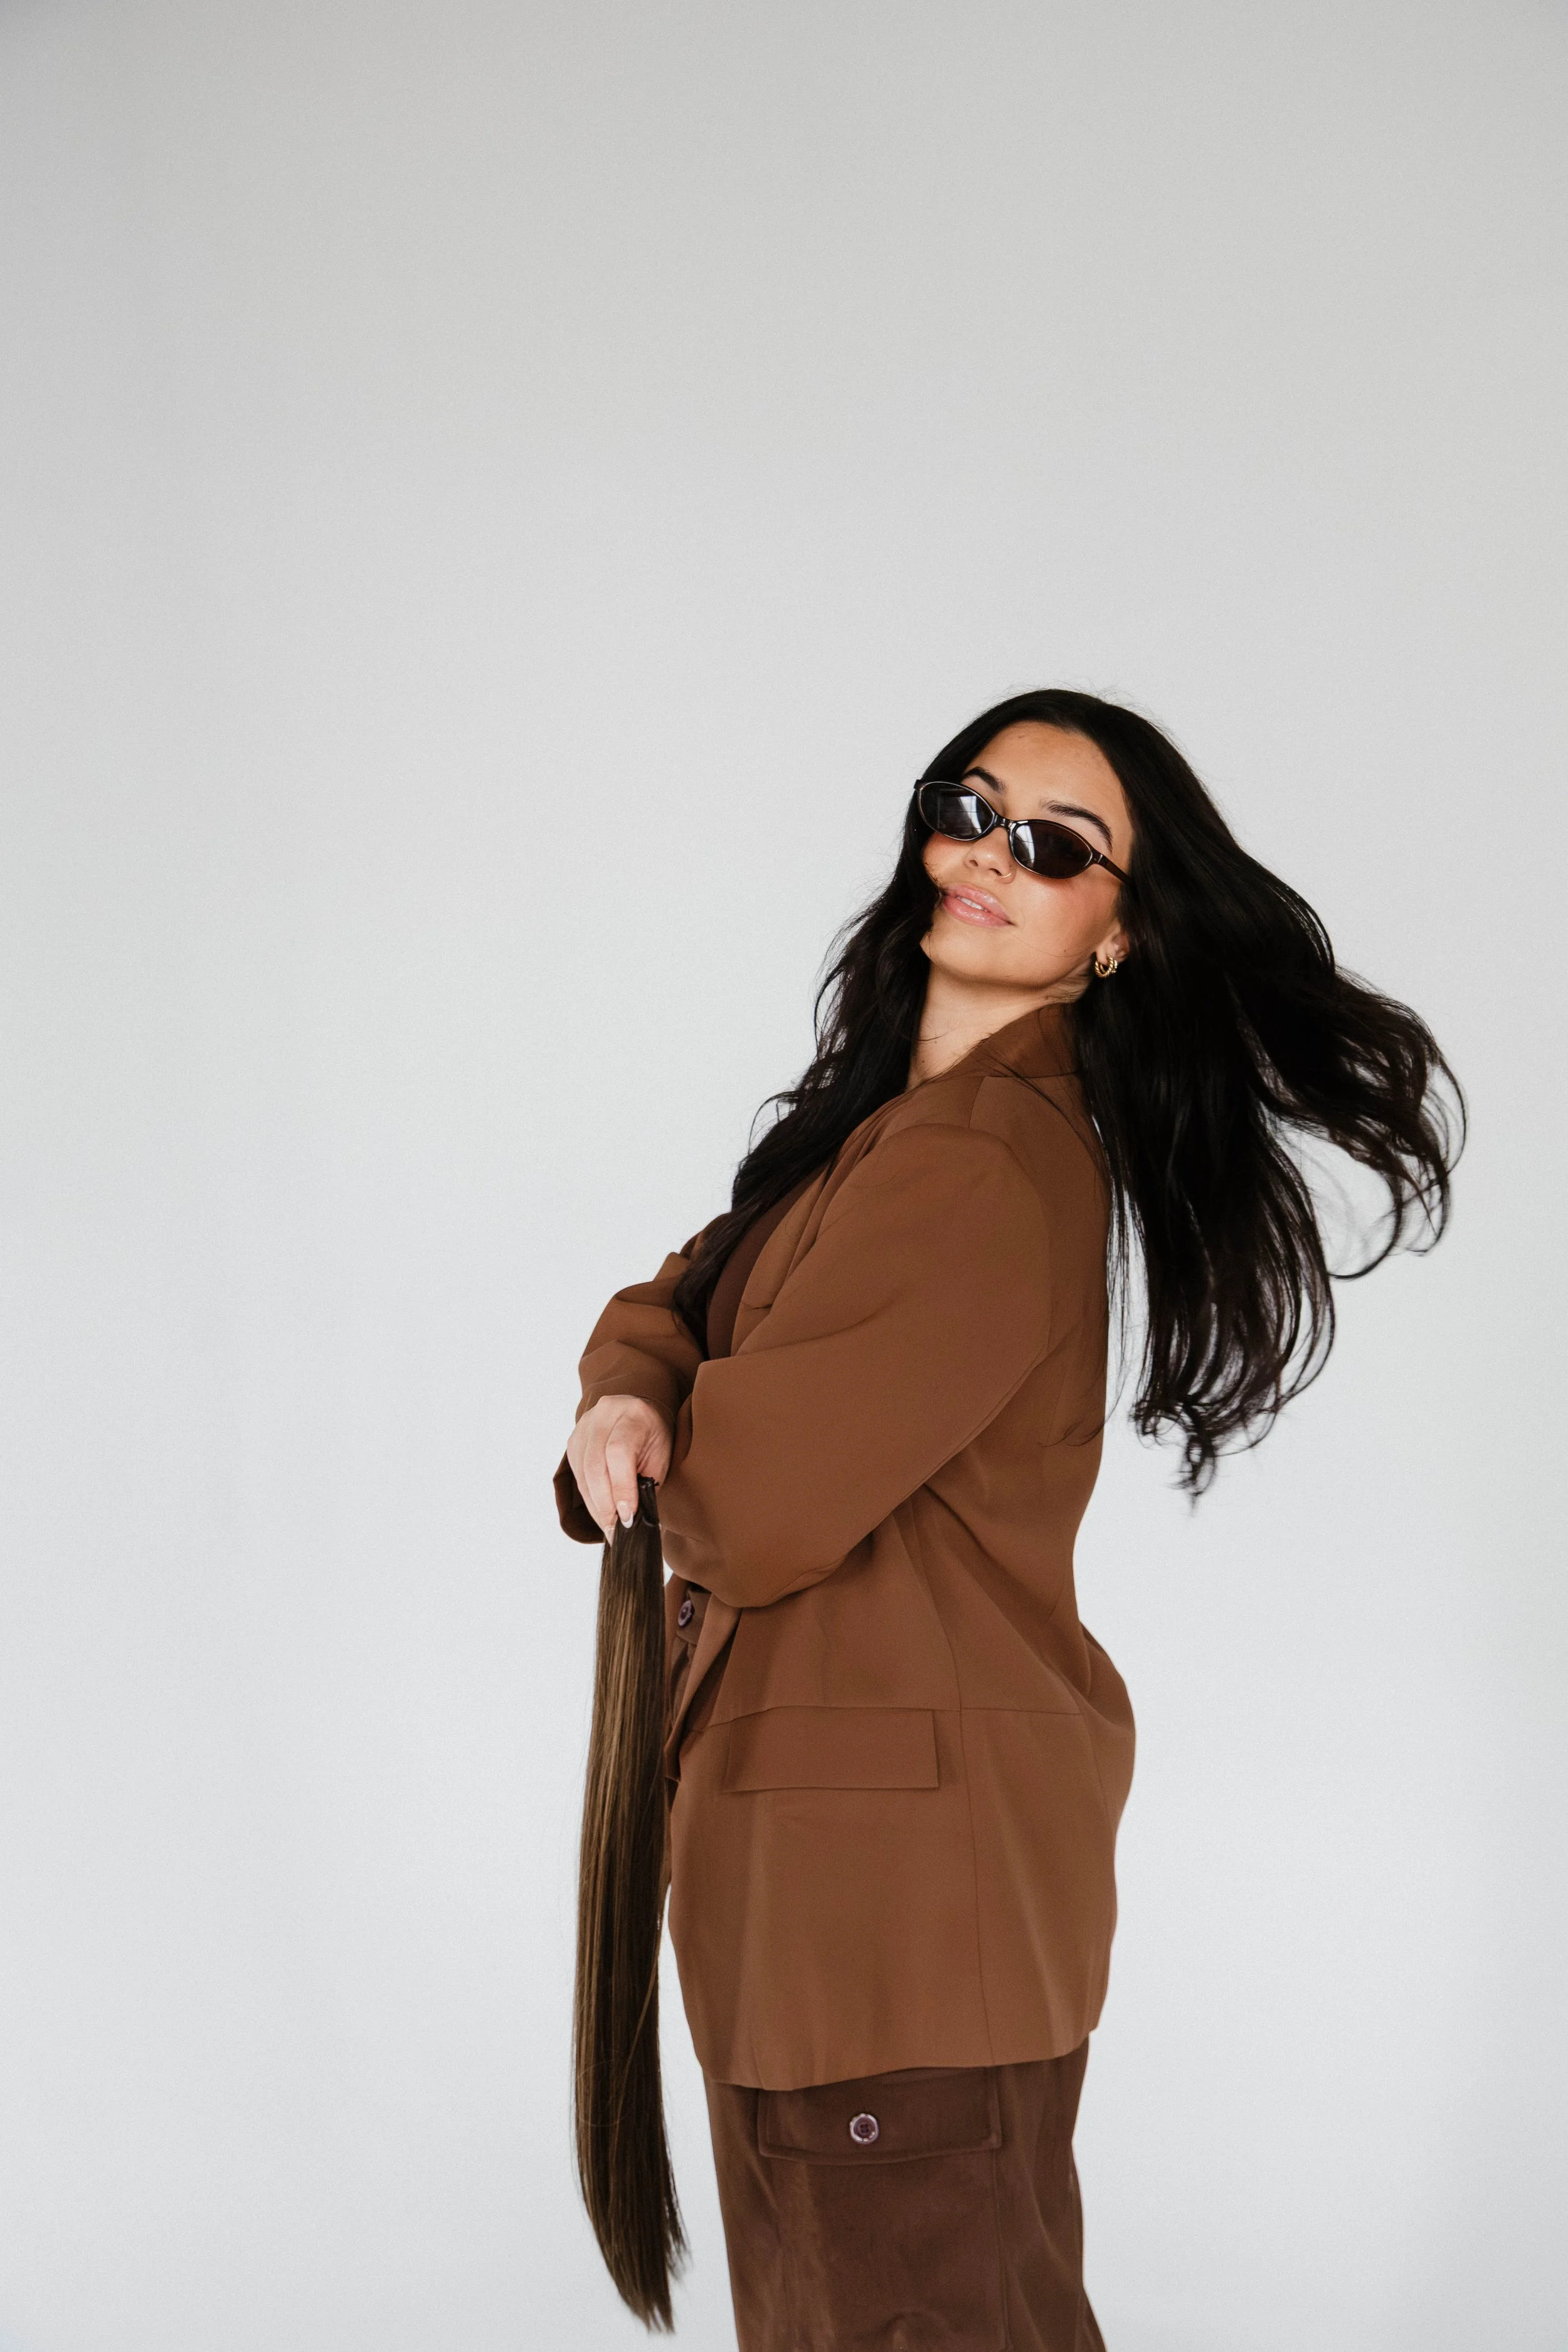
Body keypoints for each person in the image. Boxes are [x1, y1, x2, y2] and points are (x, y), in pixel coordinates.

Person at [554, 688, 1462, 2351]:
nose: (987, 852)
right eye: (969, 806)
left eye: (1052, 846)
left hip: (889, 1911)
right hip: (833, 1902)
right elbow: (674, 1291)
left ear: (1115, 934)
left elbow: (744, 1510)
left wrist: (662, 1400)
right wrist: (636, 1382)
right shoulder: (875, 1141)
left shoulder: (979, 1167)